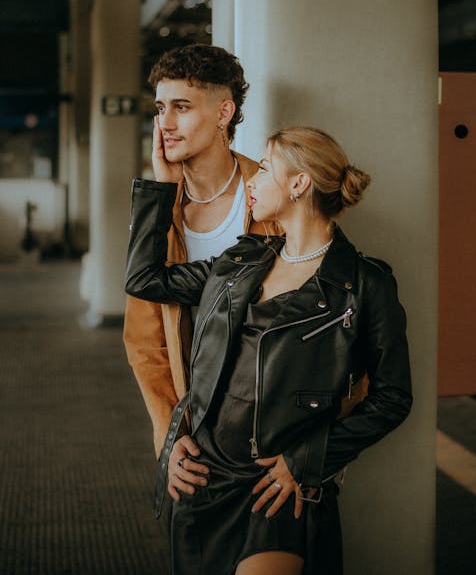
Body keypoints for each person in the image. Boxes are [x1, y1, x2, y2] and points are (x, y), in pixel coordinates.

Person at [125, 125, 412, 575]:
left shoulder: (363, 285)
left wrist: (308, 460)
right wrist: (162, 185)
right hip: (203, 478)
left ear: (299, 184)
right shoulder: (241, 260)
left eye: (263, 170)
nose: (251, 181)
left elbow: (393, 397)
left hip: (275, 487)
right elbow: (144, 280)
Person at [123, 44, 276, 458]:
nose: (165, 124)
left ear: (223, 113)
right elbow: (145, 342)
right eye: (159, 108)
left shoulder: (269, 196)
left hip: (266, 424)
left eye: (182, 107)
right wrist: (170, 436)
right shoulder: (162, 209)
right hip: (192, 424)